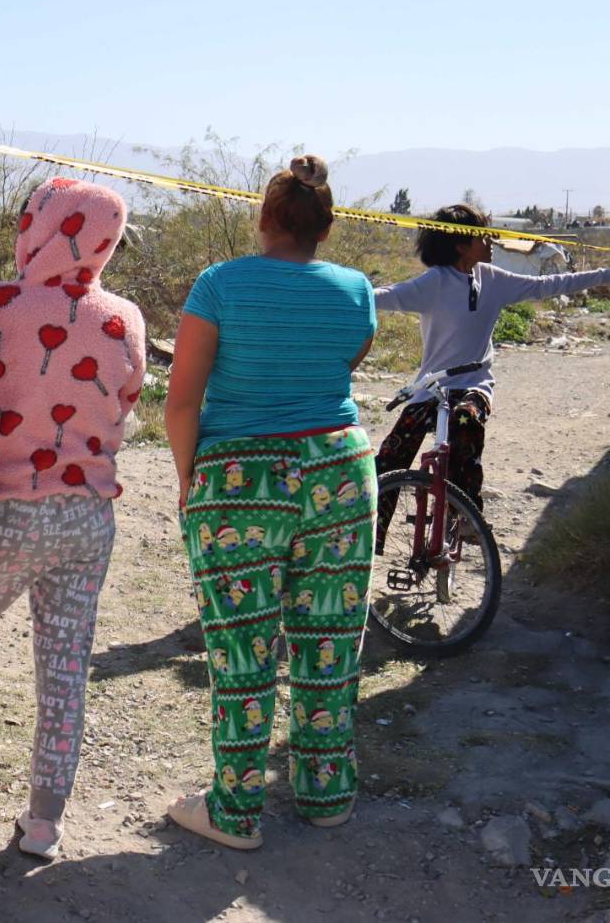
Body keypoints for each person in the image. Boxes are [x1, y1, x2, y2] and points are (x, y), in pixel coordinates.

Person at [0, 177, 147, 860]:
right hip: (88, 518)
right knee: (66, 670)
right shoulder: (127, 317)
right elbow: (126, 401)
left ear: (40, 226)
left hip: (3, 512)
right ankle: (45, 822)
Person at [163, 155, 378, 849]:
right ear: (327, 227)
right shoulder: (356, 289)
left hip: (240, 479)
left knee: (242, 648)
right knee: (329, 639)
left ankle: (235, 812)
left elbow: (182, 401)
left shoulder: (220, 284)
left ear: (264, 220)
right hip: (340, 470)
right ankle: (326, 794)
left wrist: (190, 478)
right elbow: (337, 369)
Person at [371, 203, 610, 529]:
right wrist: (335, 292)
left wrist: (609, 276)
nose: (491, 241)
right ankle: (368, 535)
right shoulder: (433, 282)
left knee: (466, 419)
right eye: (483, 236)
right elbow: (385, 296)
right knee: (391, 456)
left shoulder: (492, 279)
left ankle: (464, 515)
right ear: (461, 245)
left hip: (474, 385)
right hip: (431, 387)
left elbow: (547, 285)